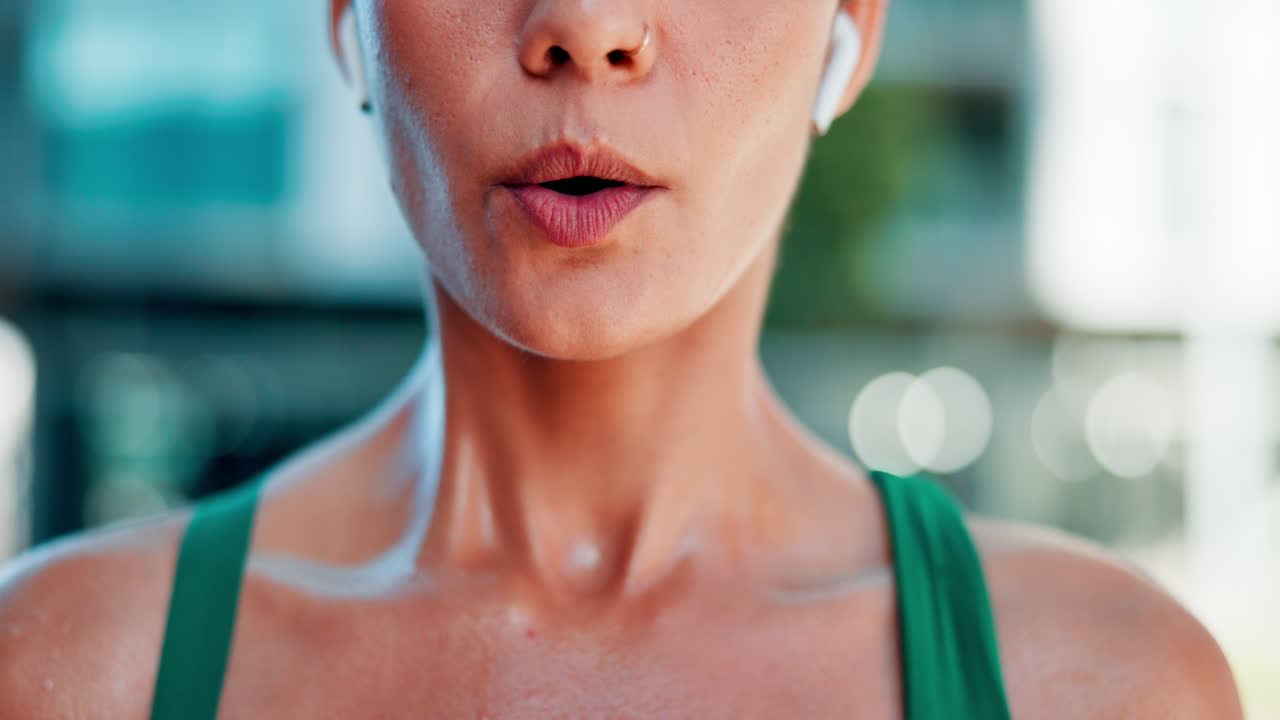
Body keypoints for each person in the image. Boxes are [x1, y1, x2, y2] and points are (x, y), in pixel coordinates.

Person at [0, 1, 1243, 718]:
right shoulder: (72, 673)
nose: (585, 28)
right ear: (346, 22)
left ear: (847, 33)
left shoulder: (1100, 688)